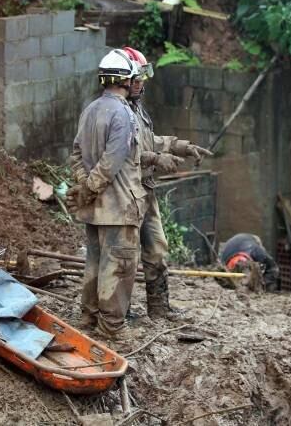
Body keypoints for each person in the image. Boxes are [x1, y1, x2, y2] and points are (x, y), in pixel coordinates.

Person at [123, 46, 213, 320]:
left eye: (142, 77)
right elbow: (121, 154)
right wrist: (155, 158)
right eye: (135, 78)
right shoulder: (116, 112)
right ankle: (119, 313)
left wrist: (180, 146)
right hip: (125, 194)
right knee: (124, 256)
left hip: (146, 190)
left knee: (157, 250)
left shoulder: (137, 109)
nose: (140, 83)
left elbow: (149, 141)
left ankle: (159, 308)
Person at [66, 48, 145, 336]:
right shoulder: (124, 114)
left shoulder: (90, 109)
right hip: (118, 207)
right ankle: (111, 327)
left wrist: (83, 185)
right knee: (119, 266)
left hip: (94, 209)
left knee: (95, 262)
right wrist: (89, 188)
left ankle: (88, 318)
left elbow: (76, 154)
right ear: (126, 80)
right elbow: (111, 163)